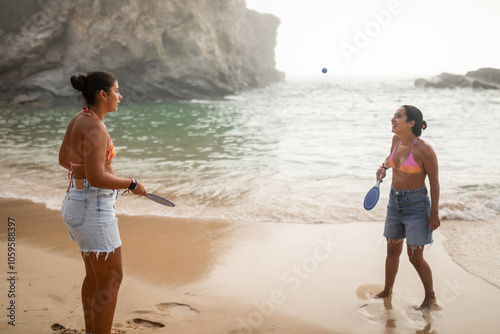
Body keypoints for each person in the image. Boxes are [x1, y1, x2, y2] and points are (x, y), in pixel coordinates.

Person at [59, 71, 147, 334]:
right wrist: (131, 183)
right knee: (112, 279)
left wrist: (84, 179)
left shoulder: (79, 119)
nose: (120, 96)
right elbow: (97, 177)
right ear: (103, 94)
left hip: (77, 202)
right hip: (92, 208)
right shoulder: (96, 126)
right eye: (116, 91)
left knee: (95, 277)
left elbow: (65, 159)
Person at [374, 105, 440, 309]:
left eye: (398, 116)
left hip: (417, 206)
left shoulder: (425, 149)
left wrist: (434, 214)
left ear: (411, 123)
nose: (393, 118)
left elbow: (435, 183)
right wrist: (383, 167)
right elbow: (390, 160)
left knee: (414, 256)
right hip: (394, 203)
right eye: (394, 115)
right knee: (392, 251)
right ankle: (387, 290)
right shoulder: (396, 141)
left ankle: (430, 297)